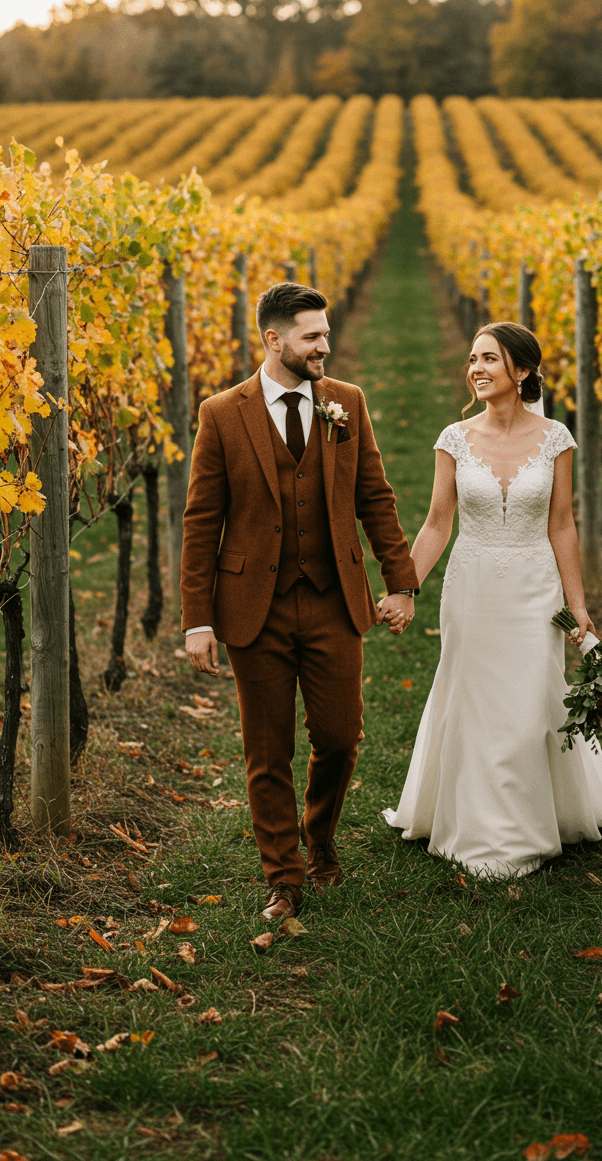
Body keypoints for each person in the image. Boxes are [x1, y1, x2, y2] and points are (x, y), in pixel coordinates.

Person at [181, 282, 418, 920]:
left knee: (340, 739)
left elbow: (375, 494)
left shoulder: (347, 403)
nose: (324, 347)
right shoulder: (222, 413)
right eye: (312, 336)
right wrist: (197, 619)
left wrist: (400, 581)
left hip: (334, 599)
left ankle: (320, 835)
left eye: (327, 335)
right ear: (274, 339)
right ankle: (284, 874)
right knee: (267, 749)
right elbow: (202, 521)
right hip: (252, 605)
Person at [382, 321, 602, 878]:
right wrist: (405, 588)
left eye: (489, 359)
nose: (476, 369)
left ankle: (525, 823)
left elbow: (562, 525)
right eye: (472, 359)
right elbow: (438, 524)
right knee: (475, 701)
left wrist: (577, 604)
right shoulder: (454, 438)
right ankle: (480, 827)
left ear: (521, 371)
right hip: (472, 587)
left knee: (529, 706)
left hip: (536, 586)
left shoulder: (557, 437)